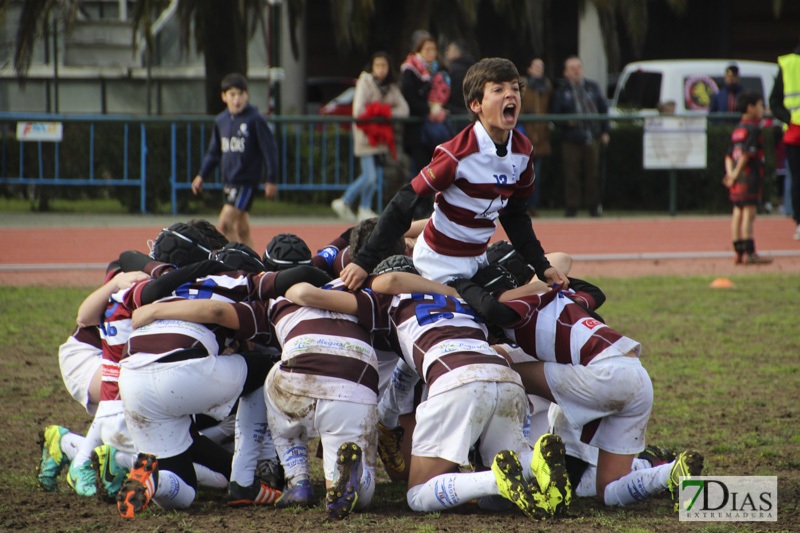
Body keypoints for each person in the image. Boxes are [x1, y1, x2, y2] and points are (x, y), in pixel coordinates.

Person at [340, 57, 569, 292]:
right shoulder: (456, 154)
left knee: (560, 267)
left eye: (514, 87)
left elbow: (515, 215)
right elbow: (403, 204)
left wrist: (542, 266)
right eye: (498, 89)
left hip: (477, 260)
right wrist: (363, 262)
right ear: (476, 104)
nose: (510, 94)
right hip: (439, 264)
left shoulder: (523, 150)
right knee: (494, 311)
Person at [192, 73, 279, 250]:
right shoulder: (221, 121)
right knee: (241, 227)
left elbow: (269, 150)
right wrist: (202, 175)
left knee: (225, 223)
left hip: (245, 182)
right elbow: (214, 152)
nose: (237, 99)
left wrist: (271, 178)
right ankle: (255, 266)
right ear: (224, 97)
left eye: (241, 94)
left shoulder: (254, 119)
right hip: (229, 181)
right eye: (232, 94)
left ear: (247, 95)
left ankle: (237, 261)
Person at [331, 52, 409, 222]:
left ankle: (364, 207)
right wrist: (379, 111)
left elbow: (404, 110)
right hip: (366, 136)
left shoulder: (391, 86)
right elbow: (358, 111)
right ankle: (344, 201)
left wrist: (384, 112)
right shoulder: (365, 82)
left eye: (384, 65)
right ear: (372, 67)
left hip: (380, 137)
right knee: (370, 175)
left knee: (373, 176)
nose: (381, 69)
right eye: (377, 65)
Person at [401, 31, 453, 220]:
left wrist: (439, 109)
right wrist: (429, 109)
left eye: (433, 48)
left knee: (433, 169)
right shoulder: (410, 70)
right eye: (427, 49)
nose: (432, 52)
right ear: (418, 50)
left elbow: (444, 94)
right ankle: (415, 210)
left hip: (434, 131)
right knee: (420, 171)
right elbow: (410, 99)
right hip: (417, 132)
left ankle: (428, 209)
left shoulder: (439, 71)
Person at [550, 56, 610, 217]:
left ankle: (593, 206)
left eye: (578, 67)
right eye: (572, 68)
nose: (576, 70)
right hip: (571, 139)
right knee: (571, 174)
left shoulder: (592, 87)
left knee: (593, 174)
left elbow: (604, 109)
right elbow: (554, 116)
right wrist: (566, 123)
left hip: (592, 137)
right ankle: (572, 206)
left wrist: (605, 131)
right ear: (566, 73)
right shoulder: (562, 91)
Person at [722, 91, 773, 264]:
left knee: (737, 212)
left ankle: (738, 251)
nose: (762, 109)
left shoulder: (737, 129)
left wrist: (730, 175)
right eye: (760, 105)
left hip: (736, 179)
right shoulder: (753, 129)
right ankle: (750, 252)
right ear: (750, 108)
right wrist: (736, 174)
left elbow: (729, 156)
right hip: (749, 177)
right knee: (749, 214)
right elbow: (746, 154)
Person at [769, 36, 800, 240]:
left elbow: (774, 101)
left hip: (794, 131)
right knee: (797, 179)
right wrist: (789, 119)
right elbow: (775, 100)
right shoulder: (789, 64)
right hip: (796, 132)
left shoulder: (788, 64)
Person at [521, 58, 553, 217]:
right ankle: (520, 206)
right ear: (529, 69)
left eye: (541, 66)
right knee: (521, 176)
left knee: (536, 176)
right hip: (524, 137)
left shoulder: (547, 87)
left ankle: (533, 206)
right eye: (536, 66)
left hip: (540, 138)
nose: (539, 69)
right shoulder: (522, 86)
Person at [444, 40, 476, 115]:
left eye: (449, 50)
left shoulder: (454, 70)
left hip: (457, 112)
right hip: (471, 110)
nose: (446, 53)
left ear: (458, 53)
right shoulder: (473, 68)